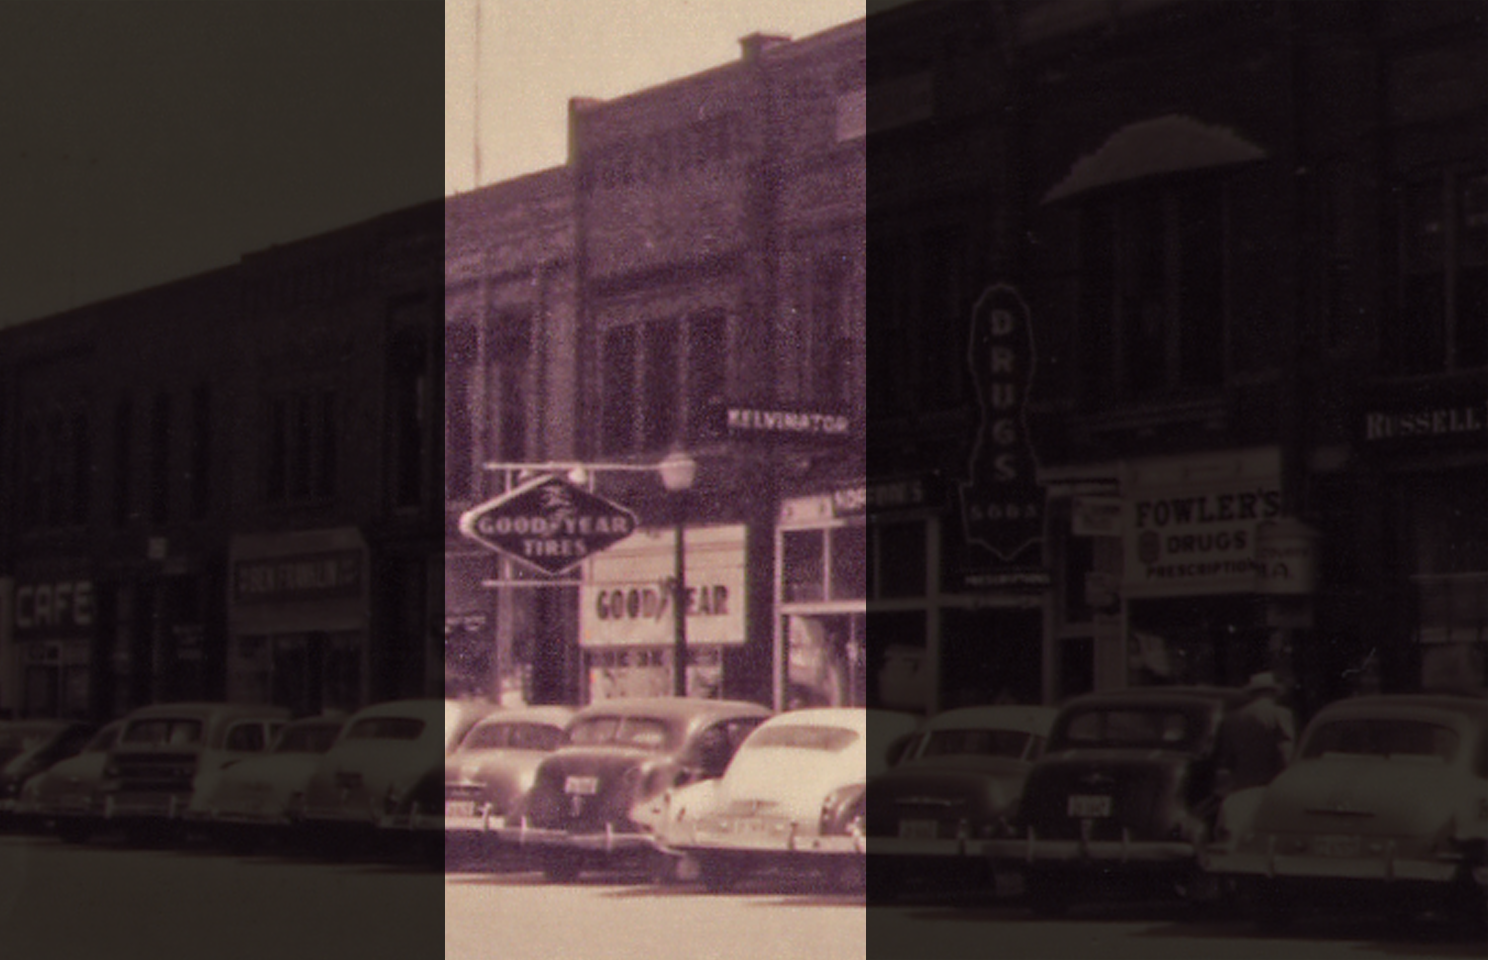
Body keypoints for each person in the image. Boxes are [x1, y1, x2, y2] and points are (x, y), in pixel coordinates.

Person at [1215, 671, 1295, 794]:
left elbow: (1227, 759)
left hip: (1242, 787)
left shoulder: (1233, 718)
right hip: (1271, 785)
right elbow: (1285, 751)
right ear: (1272, 692)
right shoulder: (1280, 714)